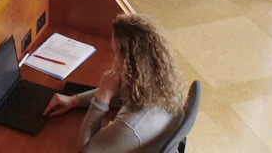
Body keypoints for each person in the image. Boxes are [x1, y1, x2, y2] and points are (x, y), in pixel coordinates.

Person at [43, 13, 186, 152]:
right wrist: (74, 101)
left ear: (131, 62)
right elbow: (122, 92)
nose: (113, 60)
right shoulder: (160, 81)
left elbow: (87, 148)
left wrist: (103, 96)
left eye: (114, 53)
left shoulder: (131, 126)